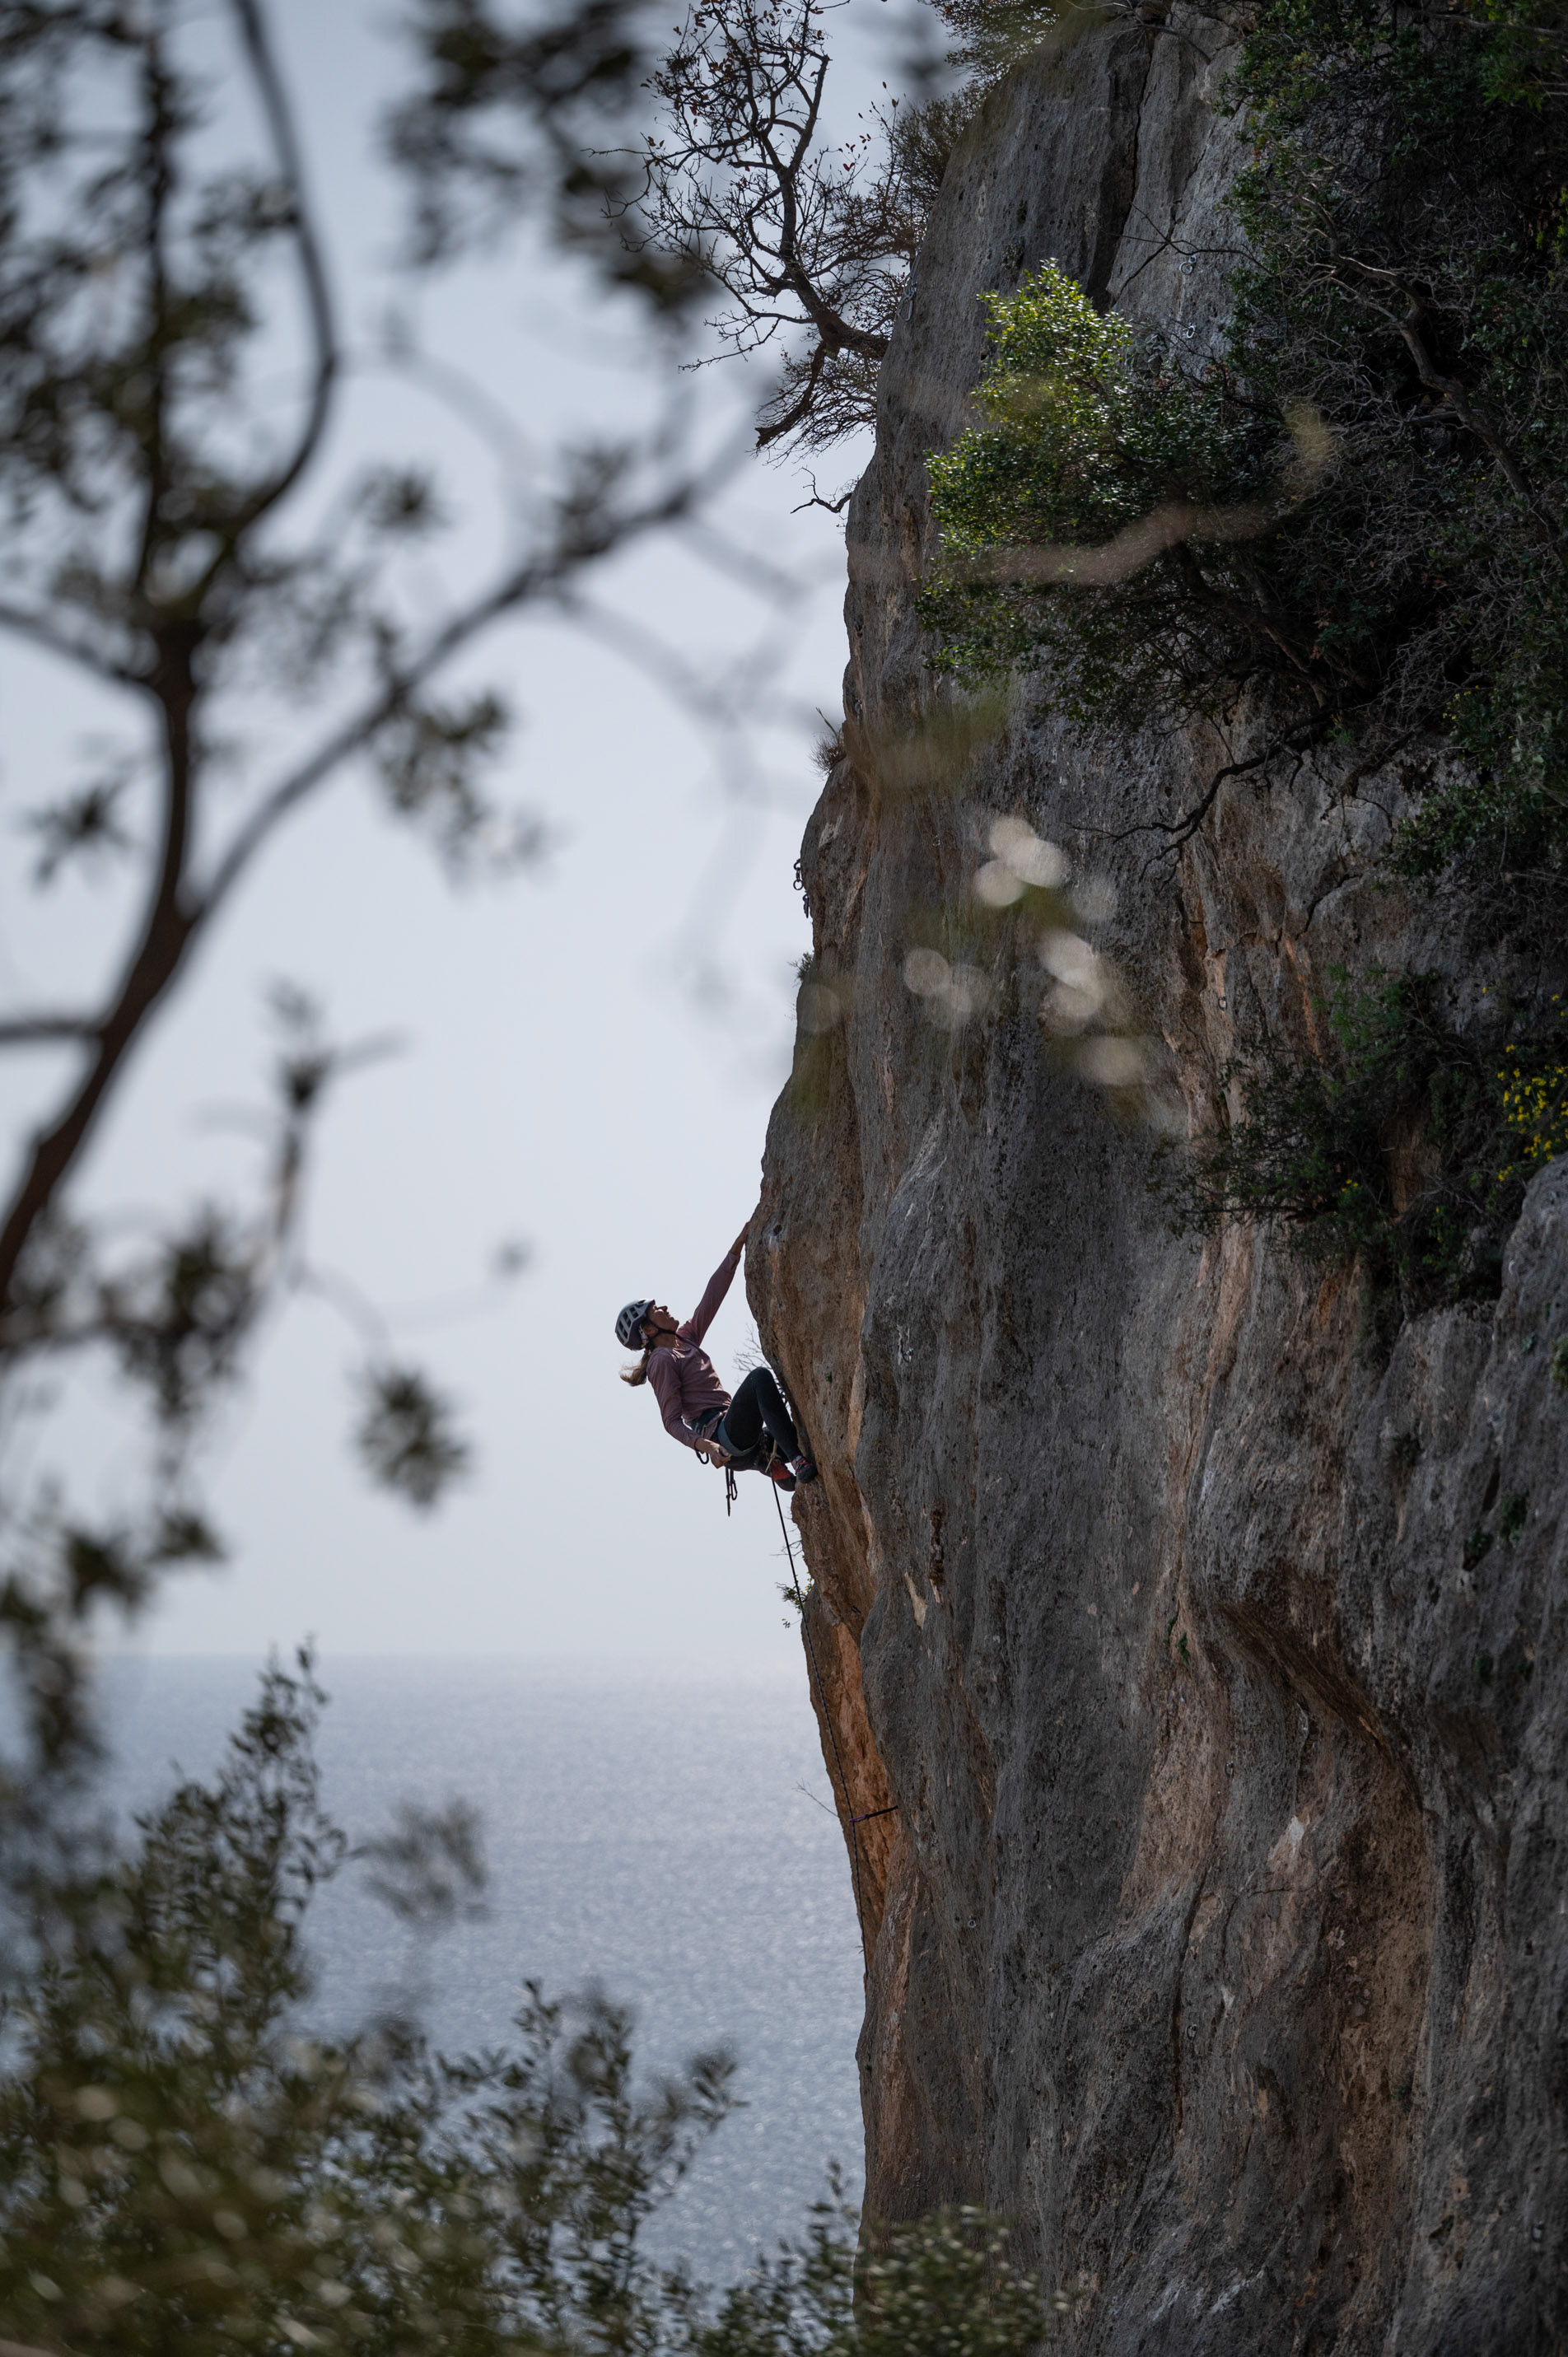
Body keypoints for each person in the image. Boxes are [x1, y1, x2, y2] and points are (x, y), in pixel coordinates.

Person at [615, 1224, 816, 1487]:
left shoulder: (684, 1340)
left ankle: (768, 1459)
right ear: (650, 1329)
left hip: (738, 1433)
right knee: (758, 1379)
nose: (664, 1307)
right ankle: (796, 1459)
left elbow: (711, 1297)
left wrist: (735, 1250)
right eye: (655, 1309)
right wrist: (706, 1446)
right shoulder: (662, 1361)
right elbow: (671, 1422)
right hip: (723, 1439)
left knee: (795, 1429)